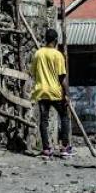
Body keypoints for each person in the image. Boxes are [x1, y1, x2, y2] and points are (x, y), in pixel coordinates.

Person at [30, 29, 73, 158]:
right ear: (55, 40)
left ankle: (46, 149)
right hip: (55, 92)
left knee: (44, 120)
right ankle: (65, 147)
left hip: (42, 91)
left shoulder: (37, 54)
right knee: (64, 116)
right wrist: (66, 94)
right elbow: (62, 77)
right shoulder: (57, 55)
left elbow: (33, 73)